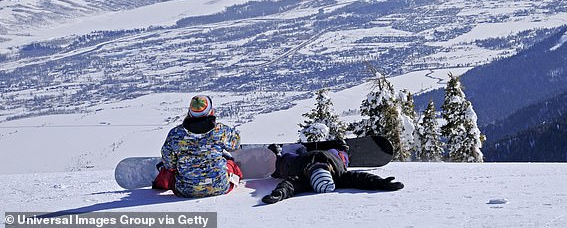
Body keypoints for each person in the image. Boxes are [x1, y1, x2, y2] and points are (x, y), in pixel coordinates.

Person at [262, 140, 404, 204]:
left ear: (310, 176)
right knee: (341, 156)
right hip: (331, 155)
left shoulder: (302, 178)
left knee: (284, 162)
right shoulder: (340, 175)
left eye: (315, 169)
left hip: (299, 161)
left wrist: (278, 194)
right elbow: (361, 178)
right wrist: (381, 183)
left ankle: (277, 155)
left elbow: (289, 185)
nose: (317, 165)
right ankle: (343, 149)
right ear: (329, 172)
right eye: (321, 168)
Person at [159, 94, 241, 198]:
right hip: (220, 188)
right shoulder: (220, 131)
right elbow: (236, 144)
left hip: (185, 191)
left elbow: (169, 163)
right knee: (230, 164)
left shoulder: (175, 134)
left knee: (168, 174)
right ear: (210, 111)